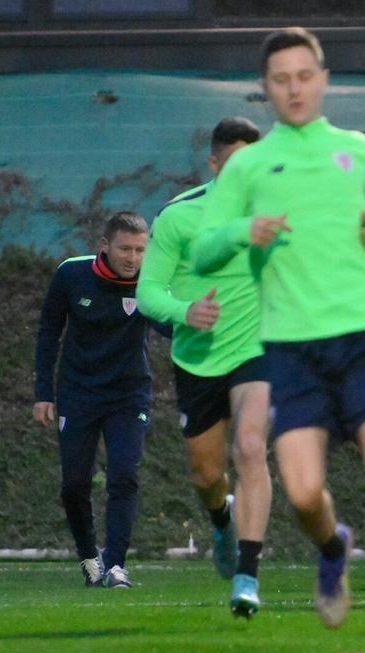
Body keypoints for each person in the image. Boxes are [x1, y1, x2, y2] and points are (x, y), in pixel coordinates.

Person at [191, 27, 365, 653]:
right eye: (280, 79)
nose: (294, 88)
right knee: (304, 493)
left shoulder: (356, 151)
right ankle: (333, 549)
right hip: (293, 347)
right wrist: (243, 229)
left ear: (323, 78)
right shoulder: (250, 165)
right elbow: (201, 248)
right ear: (267, 89)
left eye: (304, 76)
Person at [136, 116, 273, 617]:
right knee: (206, 474)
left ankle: (247, 575)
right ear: (214, 164)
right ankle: (222, 523)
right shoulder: (178, 217)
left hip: (258, 353)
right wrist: (185, 313)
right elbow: (149, 291)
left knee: (252, 448)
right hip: (197, 360)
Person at [34, 212, 156, 590]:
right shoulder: (72, 274)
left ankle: (117, 565)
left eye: (140, 249)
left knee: (124, 475)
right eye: (125, 248)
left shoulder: (152, 282)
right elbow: (48, 333)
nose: (133, 257)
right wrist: (43, 394)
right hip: (78, 394)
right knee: (74, 484)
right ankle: (90, 557)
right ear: (104, 246)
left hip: (128, 395)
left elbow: (171, 321)